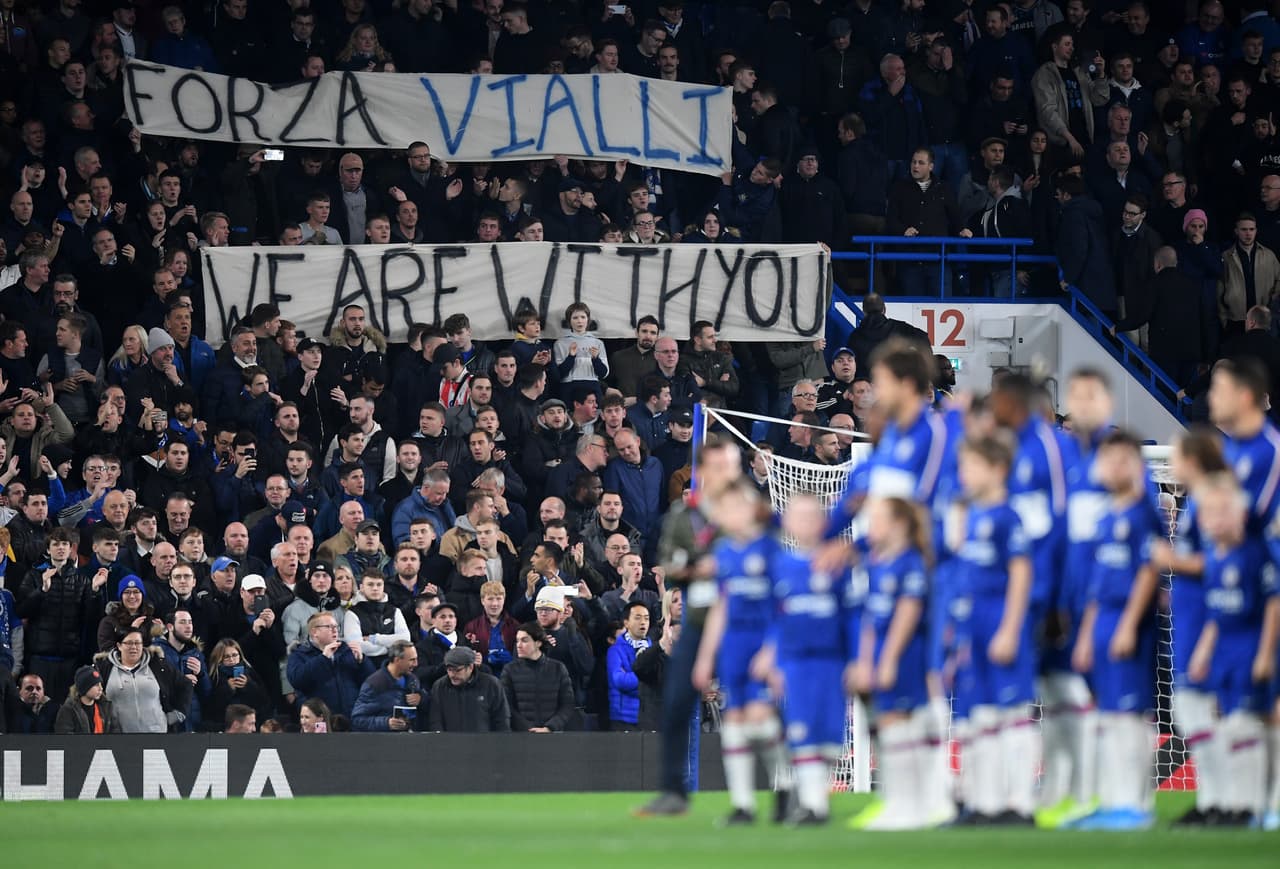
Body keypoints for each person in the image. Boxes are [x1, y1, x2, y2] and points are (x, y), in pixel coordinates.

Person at [1070, 431, 1162, 830]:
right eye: (1108, 461)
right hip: (1102, 620)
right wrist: (1088, 635)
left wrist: (1127, 624)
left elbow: (1149, 570)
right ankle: (1111, 801)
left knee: (1130, 714)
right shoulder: (1105, 515)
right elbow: (1096, 582)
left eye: (1123, 460)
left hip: (1130, 622)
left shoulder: (1144, 512)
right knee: (1107, 715)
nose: (1113, 468)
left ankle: (1136, 804)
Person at [949, 436, 1035, 827]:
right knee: (979, 717)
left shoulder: (1006, 516)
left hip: (1000, 621)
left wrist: (1011, 629)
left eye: (971, 466)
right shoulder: (973, 517)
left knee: (1013, 714)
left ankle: (1019, 803)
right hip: (974, 627)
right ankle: (984, 803)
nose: (964, 474)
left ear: (997, 470)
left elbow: (1021, 572)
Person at [692, 482, 788, 824]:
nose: (726, 514)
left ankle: (785, 789)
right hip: (734, 646)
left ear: (751, 510)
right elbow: (721, 606)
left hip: (763, 641)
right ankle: (743, 805)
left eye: (734, 507)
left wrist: (773, 652)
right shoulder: (724, 554)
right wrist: (705, 658)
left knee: (760, 720)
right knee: (733, 721)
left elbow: (784, 607)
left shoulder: (771, 550)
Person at [1188, 472, 1278, 826]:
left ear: (1241, 514)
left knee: (1247, 726)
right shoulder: (1214, 557)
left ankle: (1254, 806)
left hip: (1251, 649)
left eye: (1222, 511)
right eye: (1208, 513)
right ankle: (1240, 805)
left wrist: (1265, 654)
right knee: (1230, 728)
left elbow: (1273, 604)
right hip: (1224, 652)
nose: (1213, 520)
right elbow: (1216, 613)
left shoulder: (1256, 554)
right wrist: (1202, 652)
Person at [98, 626, 192, 733]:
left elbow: (186, 684)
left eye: (137, 643)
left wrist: (177, 715)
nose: (134, 647)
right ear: (119, 646)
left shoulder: (157, 665)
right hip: (119, 738)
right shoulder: (105, 668)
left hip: (156, 736)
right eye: (129, 643)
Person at [500, 621, 576, 732]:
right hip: (522, 737)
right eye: (517, 641)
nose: (518, 645)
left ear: (538, 643)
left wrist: (550, 727)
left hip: (553, 735)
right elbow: (507, 706)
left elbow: (567, 705)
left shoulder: (558, 668)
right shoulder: (510, 670)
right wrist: (528, 728)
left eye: (524, 640)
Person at [426, 645, 511, 732]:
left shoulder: (491, 685)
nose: (452, 675)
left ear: (470, 667)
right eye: (449, 670)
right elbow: (435, 721)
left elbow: (502, 719)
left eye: (457, 670)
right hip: (450, 743)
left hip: (484, 743)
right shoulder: (439, 687)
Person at [351, 639, 423, 731]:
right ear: (397, 660)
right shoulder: (374, 684)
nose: (416, 664)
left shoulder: (413, 680)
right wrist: (386, 723)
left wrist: (421, 699)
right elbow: (357, 719)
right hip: (384, 742)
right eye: (412, 660)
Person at [205, 638, 274, 731]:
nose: (232, 659)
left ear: (240, 656)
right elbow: (211, 707)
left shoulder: (250, 672)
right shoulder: (215, 677)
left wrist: (249, 685)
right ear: (219, 659)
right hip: (225, 726)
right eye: (226, 656)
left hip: (251, 726)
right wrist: (227, 689)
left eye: (234, 655)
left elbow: (264, 700)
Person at [607, 599, 651, 732]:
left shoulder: (654, 649)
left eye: (646, 618)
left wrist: (631, 676)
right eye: (637, 618)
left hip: (650, 717)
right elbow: (620, 681)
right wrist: (646, 677)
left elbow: (661, 682)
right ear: (626, 623)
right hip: (623, 719)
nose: (643, 622)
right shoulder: (615, 650)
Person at [54, 665, 120, 733]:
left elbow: (115, 733)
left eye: (101, 684)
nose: (101, 689)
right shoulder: (68, 710)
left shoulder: (107, 707)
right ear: (85, 687)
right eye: (96, 685)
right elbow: (65, 737)